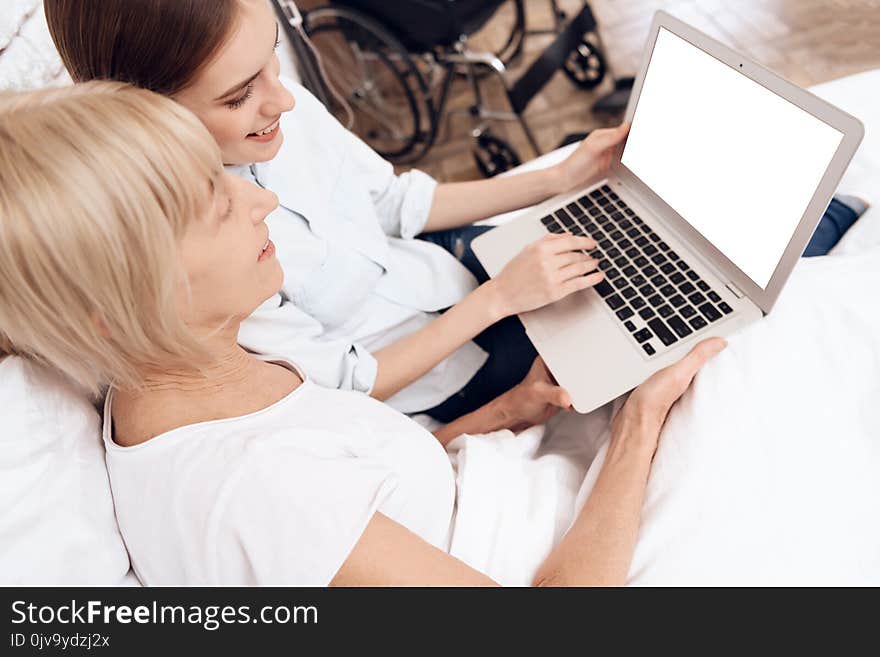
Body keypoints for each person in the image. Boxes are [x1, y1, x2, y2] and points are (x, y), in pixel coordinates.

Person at [0, 82, 726, 585]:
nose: (263, 199)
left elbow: (358, 509)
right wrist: (639, 421)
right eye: (217, 205)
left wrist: (501, 415)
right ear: (118, 302)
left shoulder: (207, 370)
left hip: (515, 473)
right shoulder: (252, 491)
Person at [45, 0, 637, 423]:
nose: (282, 98)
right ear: (149, 116)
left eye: (273, 58)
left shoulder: (283, 107)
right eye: (239, 94)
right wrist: (500, 299)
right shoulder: (202, 259)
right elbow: (349, 383)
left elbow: (395, 202)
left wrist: (557, 178)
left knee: (628, 257)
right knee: (638, 359)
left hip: (436, 269)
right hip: (436, 373)